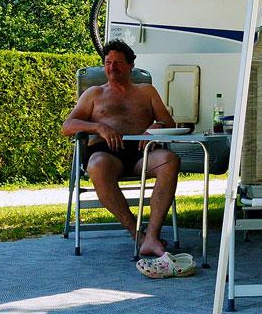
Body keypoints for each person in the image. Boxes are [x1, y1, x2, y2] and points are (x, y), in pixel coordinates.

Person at [62, 39, 182, 268]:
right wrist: (99, 127)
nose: (112, 67)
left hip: (142, 151)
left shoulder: (146, 91)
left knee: (170, 161)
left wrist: (155, 127)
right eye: (108, 63)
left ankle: (152, 236)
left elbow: (168, 121)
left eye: (117, 62)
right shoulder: (94, 93)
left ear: (130, 65)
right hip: (106, 152)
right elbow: (67, 126)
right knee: (96, 165)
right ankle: (136, 234)